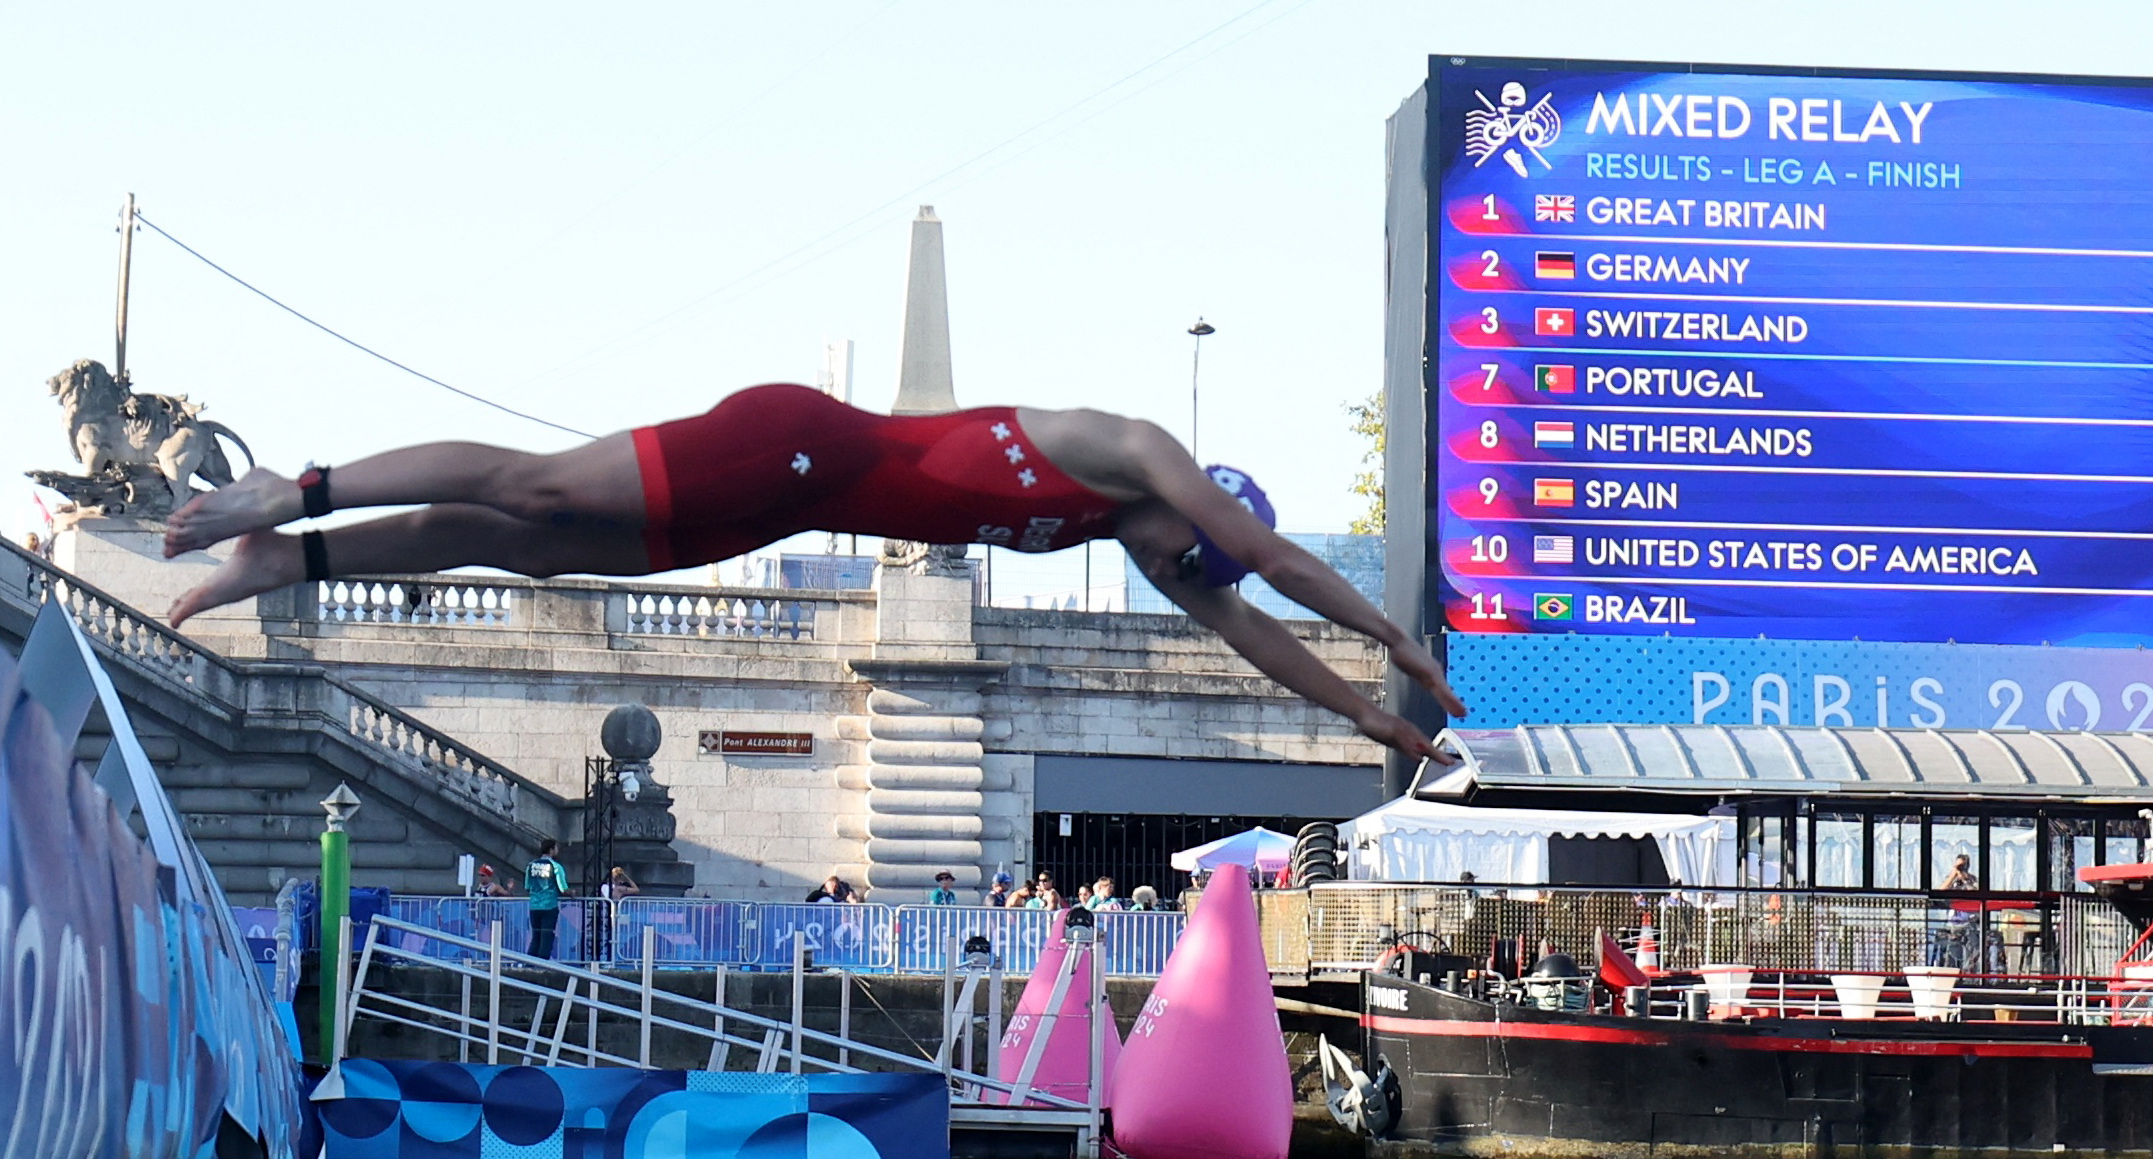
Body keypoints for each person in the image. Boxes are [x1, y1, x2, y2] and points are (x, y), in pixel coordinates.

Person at [158, 387, 1465, 764]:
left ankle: (291, 557)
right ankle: (301, 490)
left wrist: (1358, 712)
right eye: (1199, 555)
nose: (1189, 574)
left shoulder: (1145, 546)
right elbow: (1286, 572)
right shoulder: (1137, 454)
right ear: (1209, 513)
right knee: (538, 487)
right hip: (792, 440)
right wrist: (1399, 645)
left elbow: (1254, 628)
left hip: (777, 509)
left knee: (532, 545)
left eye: (1195, 568)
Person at [522, 840, 567, 959]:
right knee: (546, 937)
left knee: (536, 936)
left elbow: (527, 886)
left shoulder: (531, 865)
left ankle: (530, 964)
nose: (557, 851)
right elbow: (563, 888)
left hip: (534, 906)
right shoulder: (556, 866)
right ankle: (542, 967)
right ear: (551, 850)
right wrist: (572, 893)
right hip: (549, 905)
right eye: (556, 848)